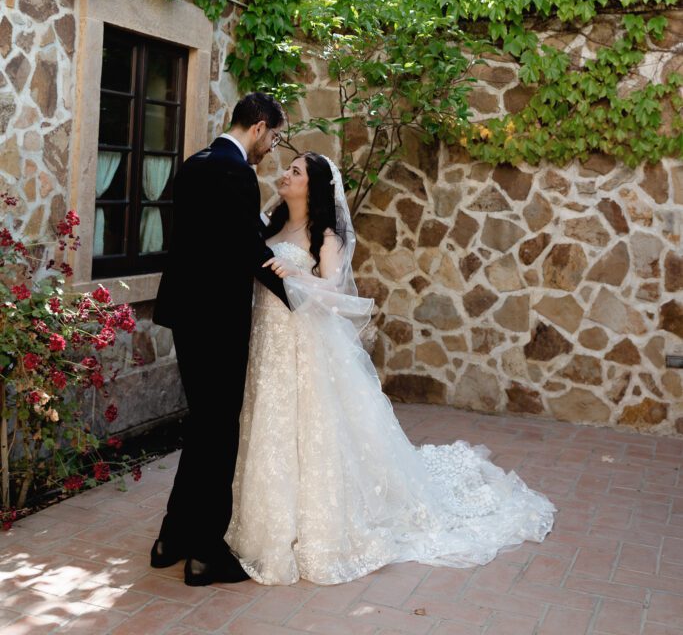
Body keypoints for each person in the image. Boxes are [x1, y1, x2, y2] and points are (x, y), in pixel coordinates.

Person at [228, 152, 555, 585]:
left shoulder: (325, 234)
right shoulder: (269, 224)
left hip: (303, 344)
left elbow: (334, 290)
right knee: (270, 425)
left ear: (314, 186)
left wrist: (294, 274)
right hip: (269, 343)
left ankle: (316, 525)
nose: (285, 175)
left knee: (312, 428)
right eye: (287, 169)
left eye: (296, 171)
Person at [151, 92, 289, 587]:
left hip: (186, 316)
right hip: (217, 320)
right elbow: (246, 250)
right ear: (257, 127)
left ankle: (172, 538)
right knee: (219, 432)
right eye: (272, 138)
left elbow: (188, 236)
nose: (270, 148)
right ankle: (207, 553)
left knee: (203, 426)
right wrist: (297, 297)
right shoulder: (236, 172)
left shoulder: (192, 165)